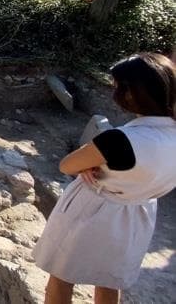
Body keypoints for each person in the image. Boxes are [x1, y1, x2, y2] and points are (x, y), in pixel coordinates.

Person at [33, 53, 176, 304]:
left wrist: (92, 163)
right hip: (136, 217)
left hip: (93, 213)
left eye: (118, 86)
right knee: (109, 279)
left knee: (62, 275)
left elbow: (67, 165)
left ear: (131, 93)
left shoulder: (119, 140)